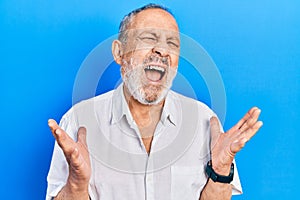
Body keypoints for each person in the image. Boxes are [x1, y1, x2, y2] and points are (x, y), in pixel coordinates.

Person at [46, 3, 263, 200]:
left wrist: (221, 169)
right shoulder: (79, 120)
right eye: (149, 38)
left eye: (172, 43)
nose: (162, 50)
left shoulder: (204, 120)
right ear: (119, 52)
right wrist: (77, 184)